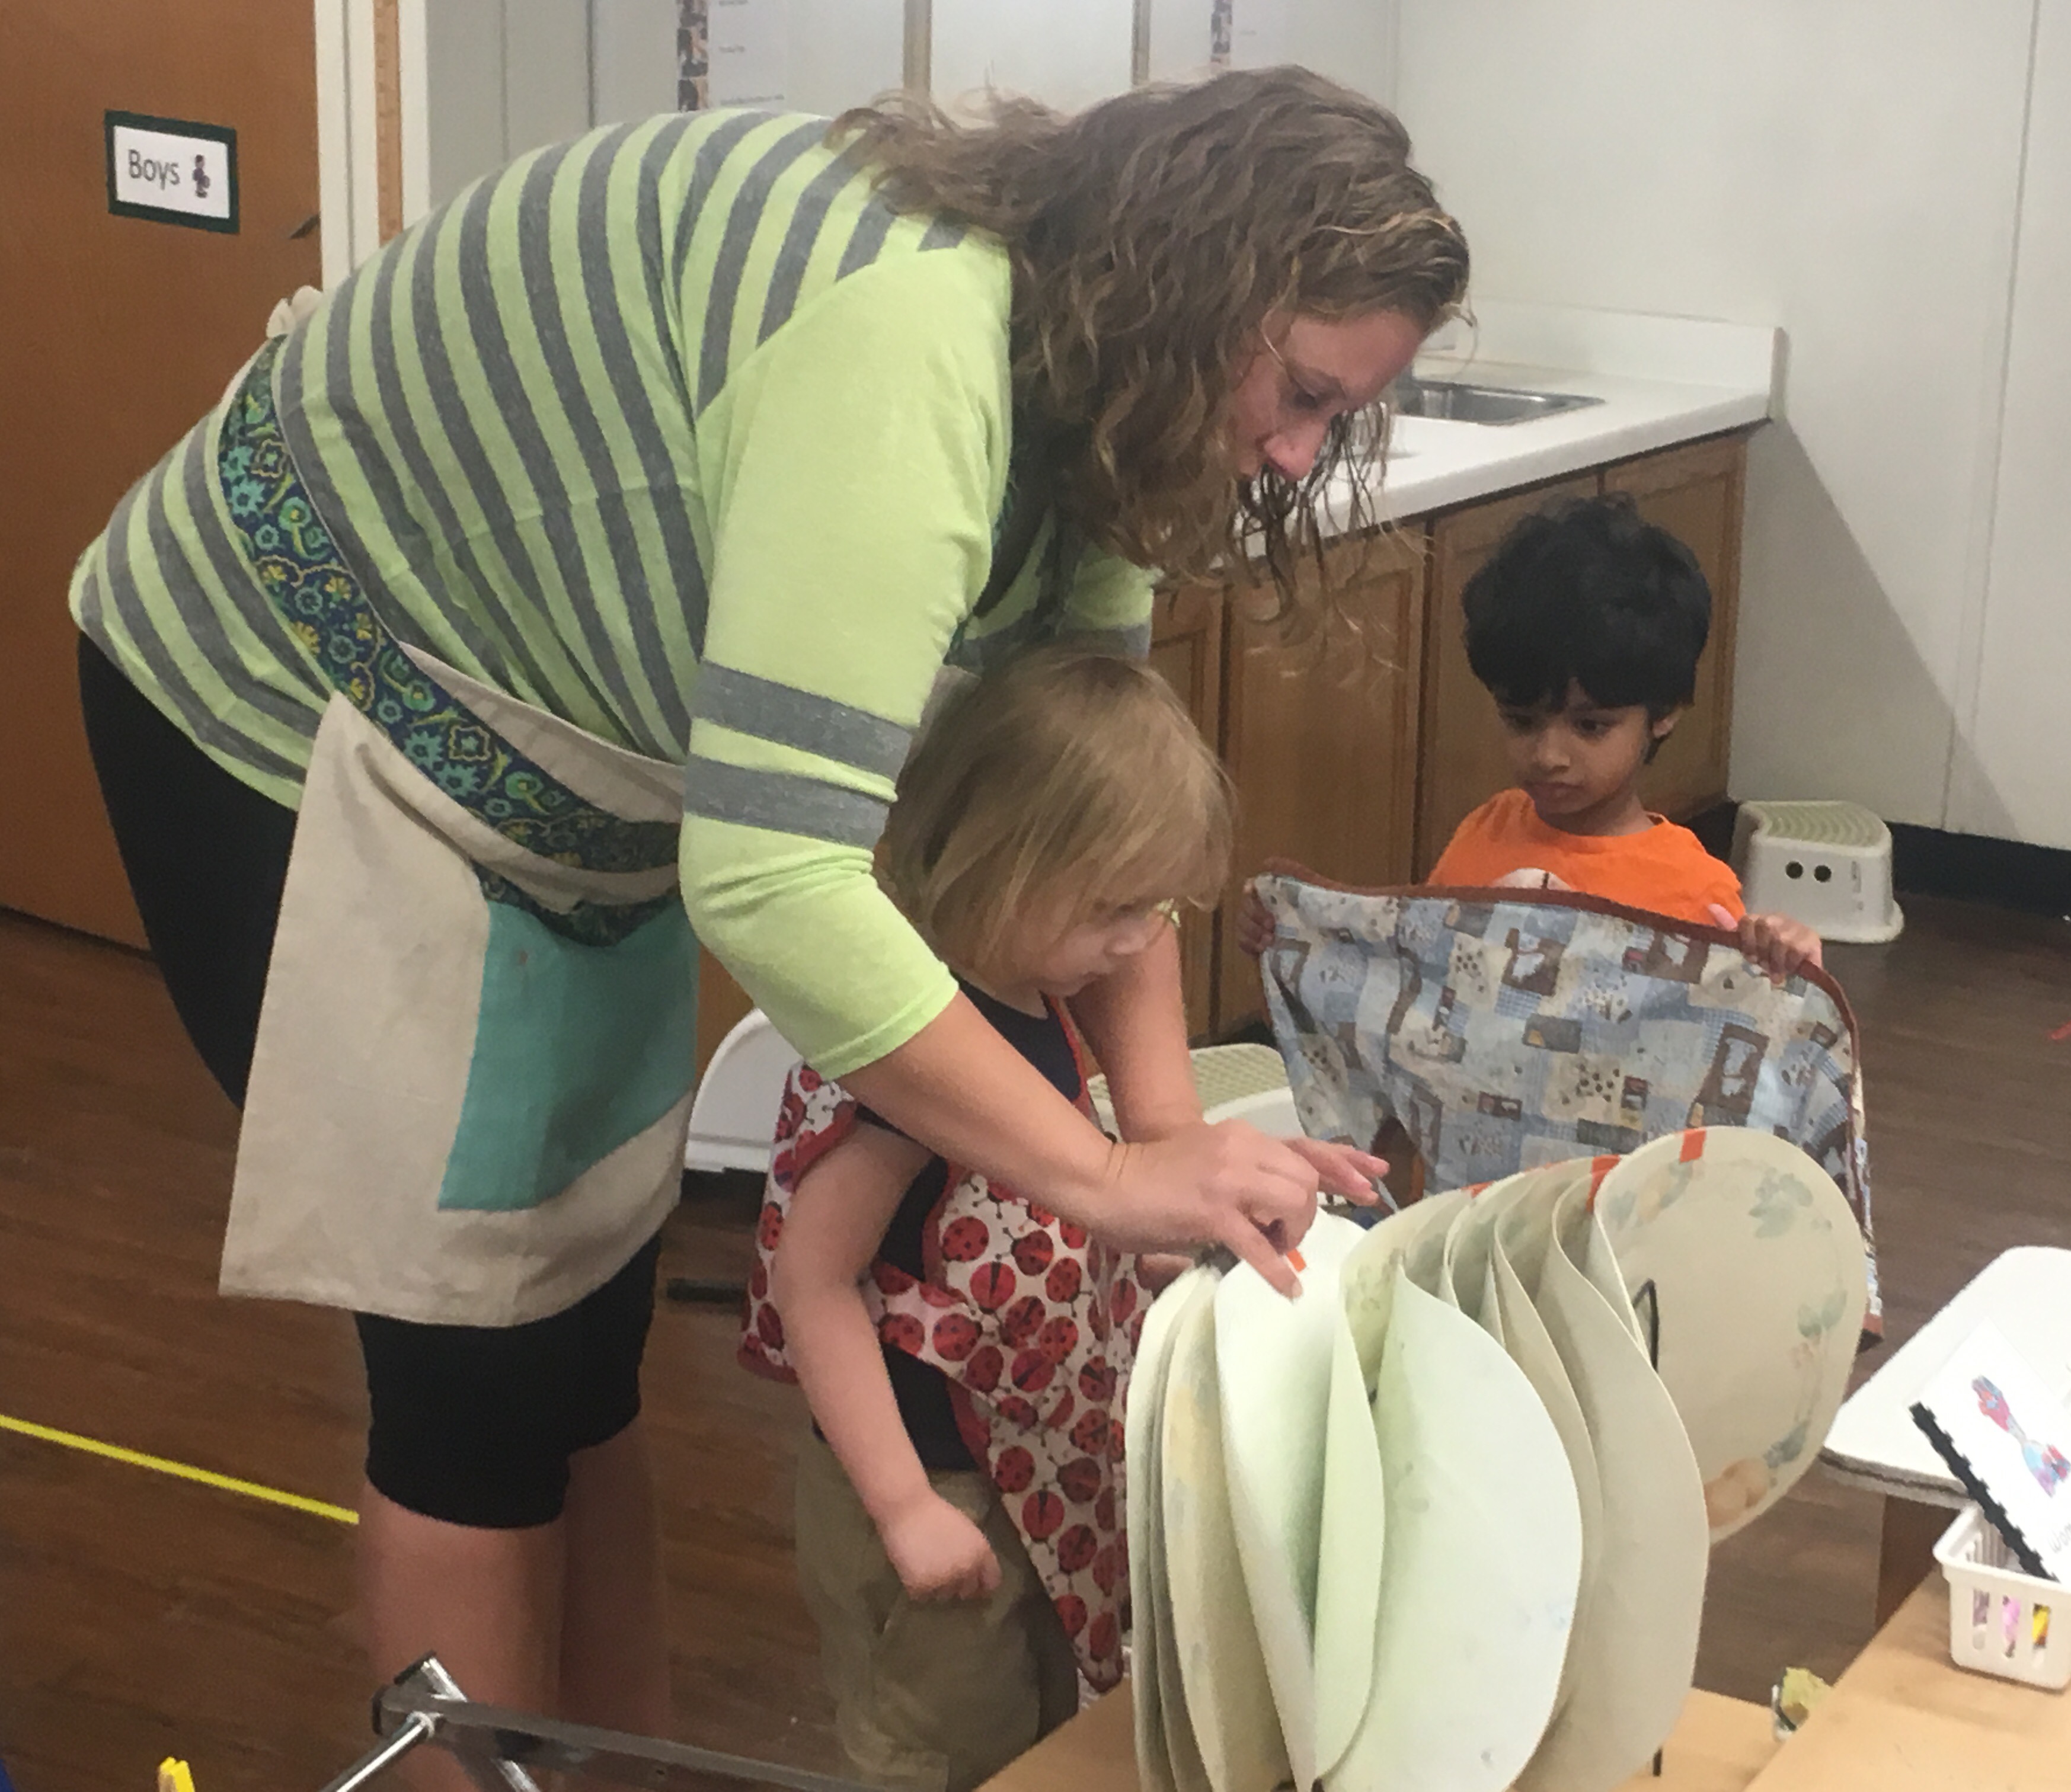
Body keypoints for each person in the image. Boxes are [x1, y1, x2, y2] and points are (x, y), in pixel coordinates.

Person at [69, 69, 1459, 1749]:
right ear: (1191, 287)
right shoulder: (908, 351)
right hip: (290, 714)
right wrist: (1101, 1175)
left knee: (584, 1341)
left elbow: (1085, 810)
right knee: (470, 1377)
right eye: (1302, 395)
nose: (1297, 454)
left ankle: (611, 1770)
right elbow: (772, 876)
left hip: (551, 772)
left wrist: (1169, 1144)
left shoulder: (1097, 386)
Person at [741, 649, 1223, 1788]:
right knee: (940, 1746)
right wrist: (903, 1504)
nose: (1136, 941)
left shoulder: (1024, 982)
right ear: (1001, 864)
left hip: (1026, 1457)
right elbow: (812, 1281)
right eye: (1113, 908)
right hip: (929, 1480)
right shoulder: (911, 1058)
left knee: (1034, 1727)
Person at [1238, 493, 1821, 975]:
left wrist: (1787, 963)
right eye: (1521, 720)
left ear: (1664, 712)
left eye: (1590, 726)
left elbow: (1751, 1033)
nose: (1548, 755)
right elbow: (1413, 977)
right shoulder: (1484, 830)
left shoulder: (1694, 892)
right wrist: (1295, 940)